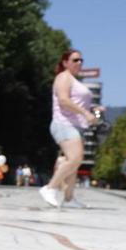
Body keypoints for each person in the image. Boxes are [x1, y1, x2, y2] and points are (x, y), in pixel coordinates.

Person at [39, 50, 99, 209]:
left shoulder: (73, 80)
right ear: (65, 62)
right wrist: (85, 113)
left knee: (73, 163)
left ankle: (69, 198)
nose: (79, 63)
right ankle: (50, 188)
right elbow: (64, 100)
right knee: (75, 158)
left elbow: (77, 102)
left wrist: (93, 110)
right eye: (75, 60)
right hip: (64, 124)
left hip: (76, 126)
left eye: (81, 60)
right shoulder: (63, 77)